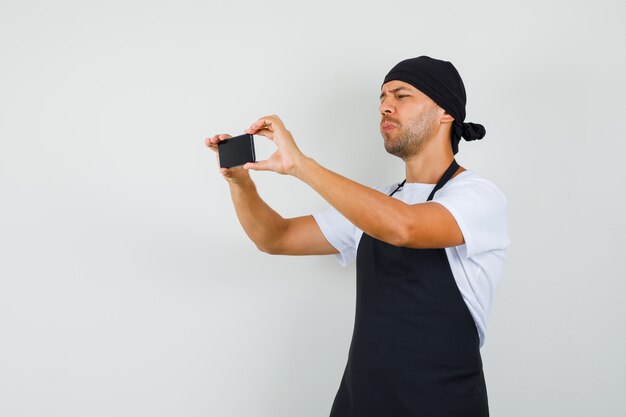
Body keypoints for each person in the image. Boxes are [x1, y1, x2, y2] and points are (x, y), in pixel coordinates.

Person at [205, 55, 509, 417]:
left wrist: (301, 165)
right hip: (359, 404)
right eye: (381, 98)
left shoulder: (477, 196)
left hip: (442, 405)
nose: (385, 107)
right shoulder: (376, 203)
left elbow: (404, 227)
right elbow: (275, 236)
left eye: (401, 95)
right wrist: (240, 183)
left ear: (446, 112)